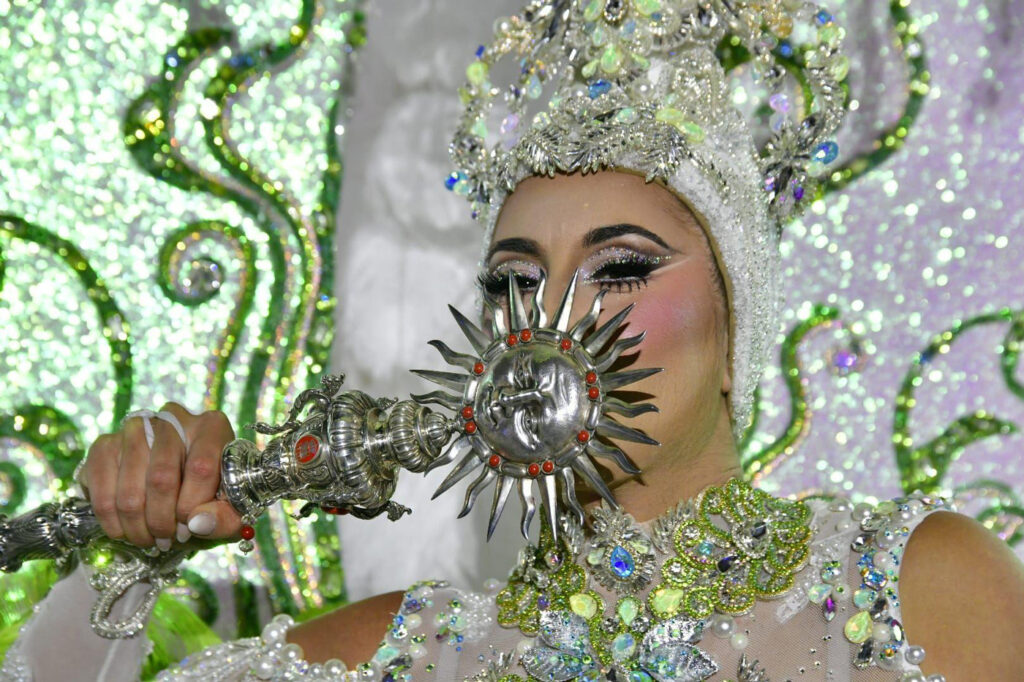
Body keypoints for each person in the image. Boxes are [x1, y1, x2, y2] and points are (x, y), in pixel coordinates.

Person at [4, 0, 1024, 680]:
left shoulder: (915, 585)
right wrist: (127, 554)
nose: (557, 318)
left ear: (734, 322)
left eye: (621, 268)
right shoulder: (408, 654)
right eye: (514, 281)